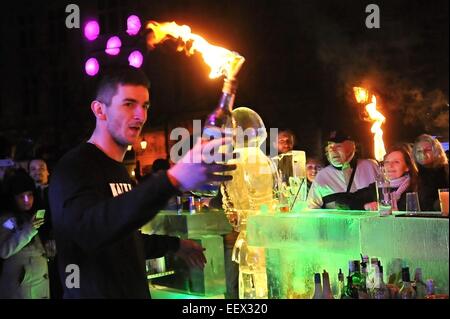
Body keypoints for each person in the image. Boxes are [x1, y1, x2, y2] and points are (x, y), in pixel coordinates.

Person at [48, 67, 235, 298]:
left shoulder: (120, 170)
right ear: (100, 110)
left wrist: (175, 245)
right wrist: (172, 179)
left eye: (145, 106)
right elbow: (90, 231)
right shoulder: (74, 167)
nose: (140, 115)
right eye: (129, 104)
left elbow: (125, 240)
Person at [0, 169, 49, 298]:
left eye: (30, 194)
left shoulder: (30, 215)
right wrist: (30, 229)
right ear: (13, 198)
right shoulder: (8, 220)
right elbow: (4, 250)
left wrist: (49, 249)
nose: (27, 200)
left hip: (37, 284)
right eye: (21, 196)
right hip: (21, 287)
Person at [307, 130, 379, 209]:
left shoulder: (369, 166)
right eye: (330, 147)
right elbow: (312, 209)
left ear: (352, 148)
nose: (333, 151)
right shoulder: (322, 176)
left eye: (338, 146)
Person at [28, 158, 63, 299]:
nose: (38, 172)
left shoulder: (58, 190)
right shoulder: (27, 196)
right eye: (33, 169)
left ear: (48, 171)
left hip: (59, 244)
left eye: (41, 168)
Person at [364, 144, 419, 211]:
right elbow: (351, 199)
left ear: (407, 167)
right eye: (387, 162)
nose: (390, 165)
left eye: (396, 162)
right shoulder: (376, 187)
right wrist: (365, 206)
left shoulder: (417, 187)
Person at [412, 134, 449, 211]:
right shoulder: (414, 174)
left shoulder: (446, 171)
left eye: (427, 150)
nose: (423, 153)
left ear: (437, 151)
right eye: (419, 151)